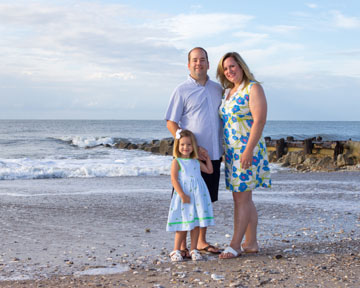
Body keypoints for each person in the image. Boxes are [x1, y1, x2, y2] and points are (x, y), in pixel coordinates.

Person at [165, 47, 223, 256]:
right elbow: (171, 122)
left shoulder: (218, 89)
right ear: (189, 65)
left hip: (214, 155)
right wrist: (190, 147)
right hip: (189, 159)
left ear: (208, 63)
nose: (199, 63)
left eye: (203, 60)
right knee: (184, 200)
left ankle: (200, 242)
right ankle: (180, 246)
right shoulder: (181, 90)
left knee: (205, 200)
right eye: (195, 60)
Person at [216, 52, 271, 259]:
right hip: (232, 152)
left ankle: (235, 244)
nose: (229, 71)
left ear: (241, 66)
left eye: (232, 66)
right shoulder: (228, 92)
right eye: (226, 68)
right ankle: (252, 243)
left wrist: (247, 150)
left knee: (241, 198)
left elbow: (259, 121)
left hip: (247, 150)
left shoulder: (253, 87)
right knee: (243, 197)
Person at [167, 129, 215, 262]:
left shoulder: (195, 161)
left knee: (196, 224)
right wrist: (182, 194)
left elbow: (210, 170)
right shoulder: (177, 161)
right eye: (182, 144)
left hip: (198, 196)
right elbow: (174, 179)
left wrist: (207, 158)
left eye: (189, 145)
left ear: (193, 146)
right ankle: (176, 249)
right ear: (178, 146)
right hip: (186, 195)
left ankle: (194, 249)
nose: (186, 147)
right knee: (183, 223)